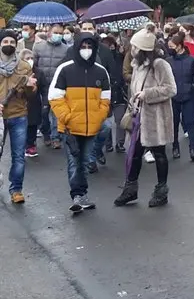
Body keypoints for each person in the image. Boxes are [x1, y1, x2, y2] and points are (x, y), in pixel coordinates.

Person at [114, 25, 177, 207]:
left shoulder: (160, 65)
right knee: (134, 154)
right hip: (138, 116)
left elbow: (171, 89)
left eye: (134, 47)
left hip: (156, 118)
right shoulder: (137, 65)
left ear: (142, 49)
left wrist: (147, 94)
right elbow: (134, 88)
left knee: (159, 154)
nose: (132, 50)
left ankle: (161, 191)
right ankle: (130, 189)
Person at [48, 33, 110, 213]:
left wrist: (98, 118)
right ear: (76, 47)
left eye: (90, 47)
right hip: (70, 128)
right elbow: (55, 97)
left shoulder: (101, 71)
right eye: (83, 47)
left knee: (84, 162)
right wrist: (67, 117)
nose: (86, 50)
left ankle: (81, 194)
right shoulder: (65, 69)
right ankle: (77, 195)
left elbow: (105, 100)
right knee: (74, 162)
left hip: (92, 128)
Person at [0, 32, 37, 204]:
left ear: (16, 45)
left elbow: (31, 94)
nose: (9, 44)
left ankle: (16, 189)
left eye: (12, 42)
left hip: (18, 114)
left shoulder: (24, 66)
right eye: (5, 41)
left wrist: (30, 86)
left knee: (18, 156)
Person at [33, 23, 69, 150]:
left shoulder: (66, 49)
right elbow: (33, 65)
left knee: (56, 113)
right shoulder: (38, 47)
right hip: (42, 86)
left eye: (60, 33)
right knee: (43, 112)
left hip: (57, 85)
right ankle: (46, 133)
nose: (58, 35)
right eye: (55, 32)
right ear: (49, 33)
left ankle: (55, 138)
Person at [167, 33, 194, 161]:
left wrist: (193, 87)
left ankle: (193, 148)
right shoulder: (168, 61)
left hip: (188, 95)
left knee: (190, 122)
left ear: (179, 46)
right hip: (173, 96)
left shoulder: (191, 60)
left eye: (172, 46)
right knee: (174, 123)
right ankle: (175, 147)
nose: (170, 49)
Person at [99, 35, 127, 154]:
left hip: (119, 92)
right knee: (106, 121)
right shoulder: (99, 60)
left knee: (120, 120)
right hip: (105, 93)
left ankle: (120, 143)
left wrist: (124, 52)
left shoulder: (120, 57)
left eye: (111, 46)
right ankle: (108, 143)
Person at [20, 49, 45, 158]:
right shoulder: (17, 72)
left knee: (33, 125)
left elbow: (44, 88)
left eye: (32, 58)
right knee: (21, 126)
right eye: (27, 58)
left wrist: (45, 102)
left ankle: (31, 145)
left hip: (34, 103)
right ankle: (21, 145)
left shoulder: (39, 72)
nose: (30, 60)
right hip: (20, 103)